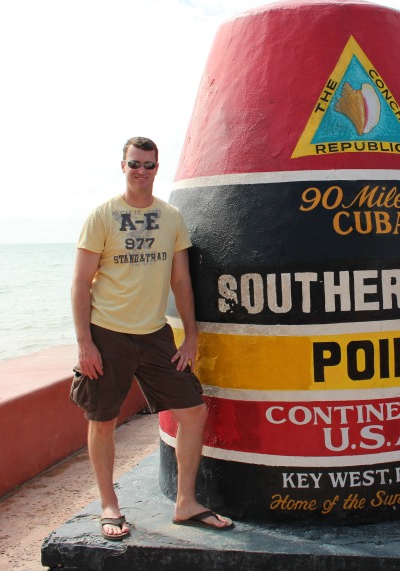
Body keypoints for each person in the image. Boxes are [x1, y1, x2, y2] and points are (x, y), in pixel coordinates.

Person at [70, 136, 234, 540]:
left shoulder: (171, 217)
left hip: (155, 334)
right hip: (108, 334)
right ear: (122, 166)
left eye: (149, 165)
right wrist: (85, 344)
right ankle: (110, 505)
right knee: (102, 420)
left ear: (157, 169)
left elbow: (181, 281)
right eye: (135, 164)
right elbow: (79, 283)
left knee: (193, 411)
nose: (142, 171)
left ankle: (185, 503)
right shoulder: (102, 216)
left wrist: (191, 336)